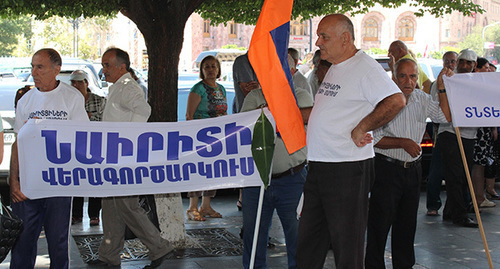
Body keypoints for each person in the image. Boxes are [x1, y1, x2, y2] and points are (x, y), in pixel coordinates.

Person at [296, 14, 405, 269]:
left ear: (345, 39)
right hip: (320, 166)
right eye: (318, 36)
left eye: (324, 37)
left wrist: (362, 127)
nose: (317, 43)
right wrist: (282, 115)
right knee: (309, 244)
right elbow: (323, 113)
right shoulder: (335, 67)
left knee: (347, 247)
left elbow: (396, 100)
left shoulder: (364, 67)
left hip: (346, 169)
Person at [365, 58, 451, 268]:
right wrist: (403, 143)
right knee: (379, 225)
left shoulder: (421, 98)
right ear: (394, 77)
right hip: (386, 168)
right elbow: (373, 138)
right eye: (402, 76)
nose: (408, 81)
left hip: (412, 170)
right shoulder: (383, 101)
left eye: (413, 76)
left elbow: (444, 117)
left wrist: (442, 89)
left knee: (406, 226)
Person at [92, 48, 173, 268]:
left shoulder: (128, 88)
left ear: (122, 67)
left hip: (123, 158)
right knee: (110, 206)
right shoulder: (118, 88)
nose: (103, 69)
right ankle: (108, 255)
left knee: (127, 206)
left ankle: (159, 247)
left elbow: (144, 110)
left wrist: (128, 141)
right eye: (103, 65)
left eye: (107, 65)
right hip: (114, 158)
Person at [9, 48, 89, 268]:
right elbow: (18, 144)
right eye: (32, 66)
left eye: (40, 67)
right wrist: (14, 180)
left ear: (57, 69)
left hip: (59, 184)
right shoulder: (25, 101)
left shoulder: (71, 98)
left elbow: (83, 140)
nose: (34, 72)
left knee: (58, 242)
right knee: (23, 242)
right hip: (28, 184)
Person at [240, 54, 312, 269]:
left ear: (291, 73)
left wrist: (268, 112)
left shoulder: (302, 97)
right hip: (257, 180)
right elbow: (245, 127)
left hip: (293, 179)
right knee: (253, 238)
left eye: (280, 70)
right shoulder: (253, 96)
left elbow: (298, 121)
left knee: (298, 237)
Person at [436, 48, 479, 227]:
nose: (464, 65)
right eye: (462, 61)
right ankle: (460, 215)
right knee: (455, 176)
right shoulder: (446, 80)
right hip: (450, 133)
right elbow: (437, 103)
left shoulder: (478, 83)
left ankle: (450, 210)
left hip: (469, 135)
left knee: (463, 175)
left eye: (469, 63)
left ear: (474, 65)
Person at [185, 55, 227, 221]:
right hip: (200, 138)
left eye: (213, 66)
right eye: (207, 67)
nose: (211, 70)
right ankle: (192, 207)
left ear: (218, 70)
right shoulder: (198, 89)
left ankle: (206, 205)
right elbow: (189, 115)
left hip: (217, 138)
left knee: (213, 172)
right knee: (199, 171)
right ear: (202, 70)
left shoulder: (221, 89)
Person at [69, 70, 107, 226]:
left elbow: (102, 122)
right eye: (73, 82)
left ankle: (94, 214)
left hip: (96, 146)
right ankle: (76, 214)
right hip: (75, 147)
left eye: (79, 82)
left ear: (86, 83)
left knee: (95, 180)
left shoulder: (99, 100)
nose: (76, 85)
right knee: (77, 180)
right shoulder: (68, 101)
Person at [426, 51, 458, 216]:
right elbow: (434, 108)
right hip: (443, 131)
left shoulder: (460, 82)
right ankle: (433, 204)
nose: (450, 65)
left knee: (458, 172)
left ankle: (460, 205)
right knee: (436, 171)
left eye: (453, 61)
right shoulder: (435, 84)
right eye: (447, 61)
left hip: (460, 132)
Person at [471, 57, 499, 208]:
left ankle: (480, 195)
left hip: (485, 128)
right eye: (486, 67)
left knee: (482, 163)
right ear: (477, 68)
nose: (489, 70)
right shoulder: (475, 85)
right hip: (478, 129)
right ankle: (478, 197)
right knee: (479, 163)